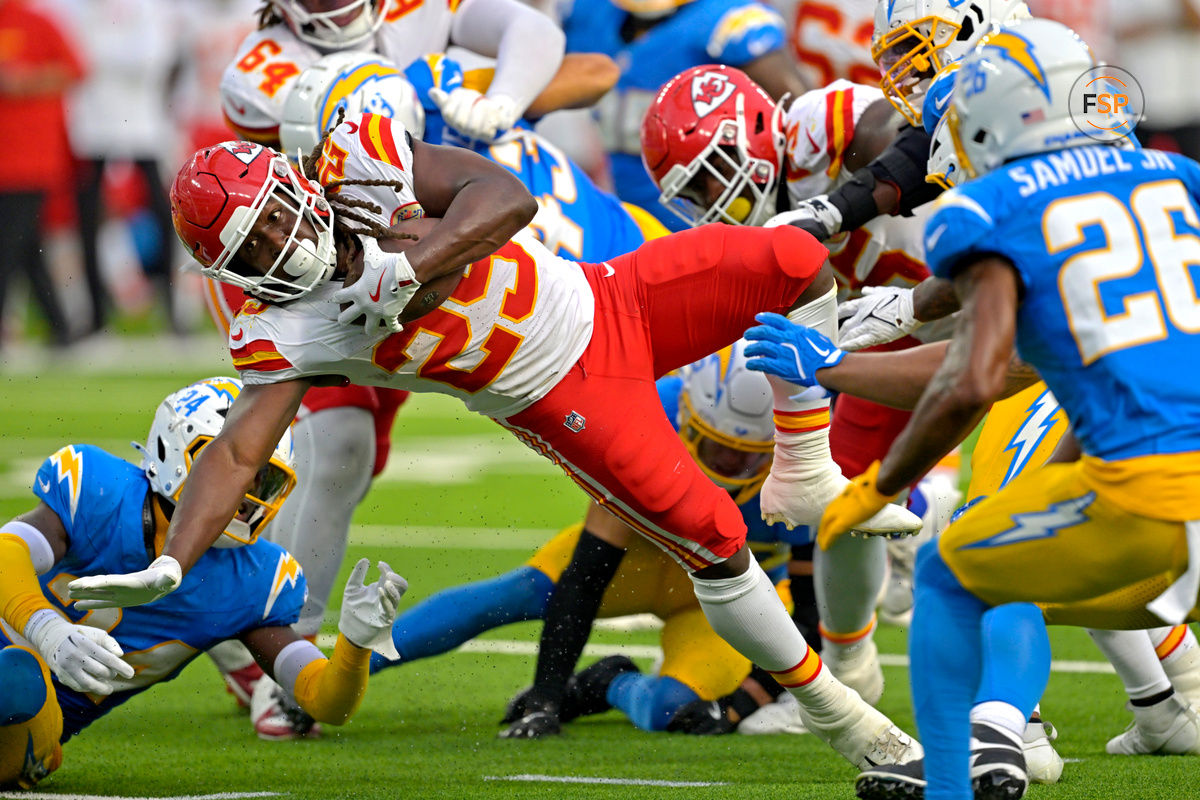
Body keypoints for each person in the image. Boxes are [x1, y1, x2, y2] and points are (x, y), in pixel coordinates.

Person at [72, 109, 924, 771]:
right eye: (250, 247)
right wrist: (175, 558)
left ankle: (807, 470)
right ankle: (837, 713)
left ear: (293, 187)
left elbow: (506, 198)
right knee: (718, 542)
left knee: (791, 259)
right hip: (563, 395)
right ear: (231, 273)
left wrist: (411, 267)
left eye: (268, 220)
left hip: (607, 297)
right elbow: (235, 451)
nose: (276, 245)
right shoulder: (284, 329)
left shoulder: (356, 157)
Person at [809, 18, 1200, 800]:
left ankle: (977, 760)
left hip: (1152, 499)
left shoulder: (986, 210)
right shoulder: (1175, 175)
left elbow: (975, 377)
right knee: (1024, 506)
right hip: (1156, 469)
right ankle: (1163, 702)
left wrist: (878, 487)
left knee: (954, 571)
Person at [370, 340, 813, 736]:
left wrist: (746, 698)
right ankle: (339, 671)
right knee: (506, 597)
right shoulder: (651, 418)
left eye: (748, 457)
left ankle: (607, 683)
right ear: (689, 419)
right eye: (720, 449)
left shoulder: (807, 459)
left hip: (726, 596)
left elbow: (816, 609)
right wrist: (545, 701)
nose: (732, 467)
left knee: (670, 711)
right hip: (631, 560)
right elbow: (585, 577)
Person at [0, 377, 407, 789]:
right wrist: (46, 629)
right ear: (173, 454)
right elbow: (5, 549)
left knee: (18, 675)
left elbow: (323, 700)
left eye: (261, 476)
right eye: (233, 467)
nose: (247, 492)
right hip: (18, 648)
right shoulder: (101, 492)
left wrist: (354, 649)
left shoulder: (252, 579)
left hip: (30, 717)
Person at [561, 0, 808, 231]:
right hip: (633, 222)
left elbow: (806, 120)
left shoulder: (723, 20)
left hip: (714, 218)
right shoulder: (590, 14)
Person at [0, 0, 81, 350]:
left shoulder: (36, 20)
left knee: (8, 247)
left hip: (29, 160)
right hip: (11, 157)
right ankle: (61, 326)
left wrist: (26, 80)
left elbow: (77, 69)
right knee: (27, 248)